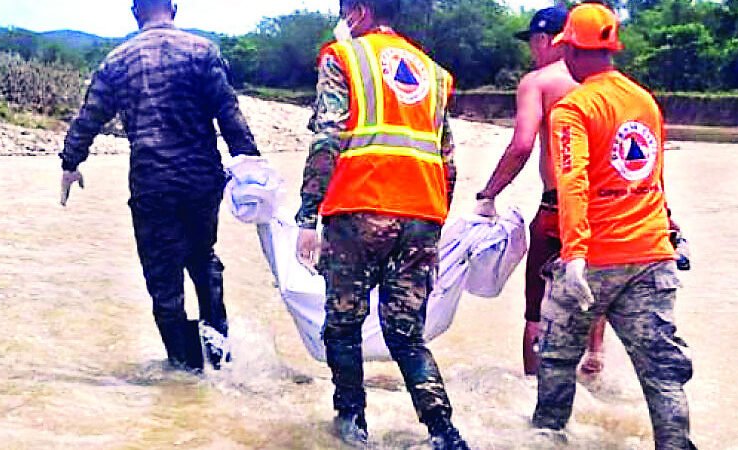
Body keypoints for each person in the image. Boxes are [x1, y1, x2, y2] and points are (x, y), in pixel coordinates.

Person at [294, 0, 468, 448]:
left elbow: (327, 137)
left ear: (360, 11)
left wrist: (307, 214)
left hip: (359, 208)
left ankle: (352, 425)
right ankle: (443, 432)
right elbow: (447, 160)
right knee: (406, 332)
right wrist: (434, 220)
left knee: (343, 325)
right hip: (423, 214)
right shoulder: (434, 72)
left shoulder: (343, 57)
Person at [58, 0, 261, 372]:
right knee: (203, 261)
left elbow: (90, 116)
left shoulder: (116, 62)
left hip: (152, 184)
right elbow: (229, 115)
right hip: (202, 181)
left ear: (135, 12)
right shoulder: (203, 51)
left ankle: (185, 372)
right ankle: (221, 362)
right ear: (174, 8)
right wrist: (253, 169)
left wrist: (70, 163)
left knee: (164, 282)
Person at [531, 3, 696, 448]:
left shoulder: (573, 108)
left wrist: (575, 253)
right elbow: (653, 176)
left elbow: (572, 180)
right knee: (662, 370)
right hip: (651, 255)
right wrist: (670, 229)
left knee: (557, 360)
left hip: (595, 260)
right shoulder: (645, 101)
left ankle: (548, 438)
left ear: (571, 49)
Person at [473, 6, 607, 377]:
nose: (531, 51)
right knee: (592, 292)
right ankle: (594, 357)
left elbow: (522, 145)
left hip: (558, 207)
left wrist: (489, 193)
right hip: (607, 208)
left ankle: (533, 387)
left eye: (532, 42)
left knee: (537, 306)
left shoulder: (540, 82)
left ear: (545, 40)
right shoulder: (608, 84)